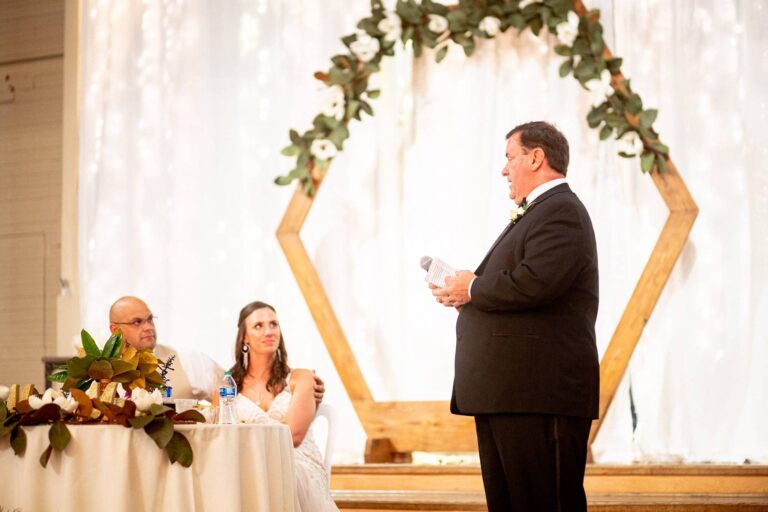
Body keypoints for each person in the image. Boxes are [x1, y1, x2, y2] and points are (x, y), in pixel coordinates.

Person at [430, 121, 599, 511]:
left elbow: (537, 282)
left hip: (538, 395)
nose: (504, 169)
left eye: (510, 158)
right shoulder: (540, 212)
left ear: (536, 157)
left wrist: (474, 288)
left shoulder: (561, 211)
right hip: (511, 394)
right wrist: (468, 295)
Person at [224, 300, 339, 512]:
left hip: (295, 463)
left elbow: (293, 436)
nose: (269, 331)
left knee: (271, 474)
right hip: (247, 463)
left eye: (273, 324)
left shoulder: (302, 378)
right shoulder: (228, 384)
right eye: (258, 326)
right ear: (244, 337)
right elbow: (219, 431)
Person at [108, 296, 326, 403]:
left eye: (150, 319)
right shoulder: (99, 370)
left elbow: (237, 390)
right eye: (137, 322)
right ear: (115, 330)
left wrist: (298, 388)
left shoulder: (188, 360)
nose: (148, 327)